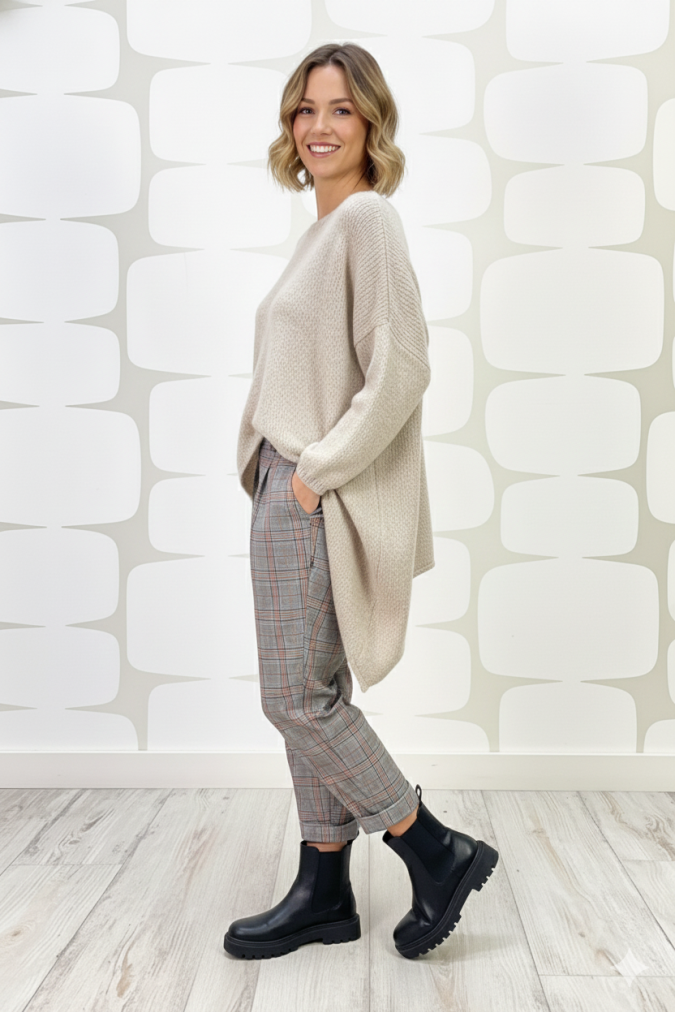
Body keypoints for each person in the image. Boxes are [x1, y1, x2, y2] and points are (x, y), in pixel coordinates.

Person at [224, 42, 498, 961]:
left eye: (340, 109)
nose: (319, 126)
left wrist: (312, 474)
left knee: (296, 700)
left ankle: (432, 847)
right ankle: (323, 889)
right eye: (305, 109)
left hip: (311, 490)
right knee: (313, 694)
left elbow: (403, 368)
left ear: (371, 121)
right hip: (288, 483)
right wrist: (277, 473)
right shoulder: (324, 230)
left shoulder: (368, 220)